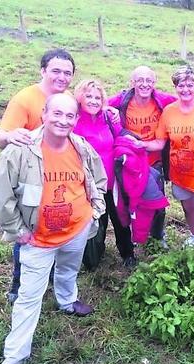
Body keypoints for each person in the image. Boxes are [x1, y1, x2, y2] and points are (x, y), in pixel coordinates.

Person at [0, 93, 107, 364]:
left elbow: (98, 179)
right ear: (44, 113)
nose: (62, 121)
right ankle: (14, 357)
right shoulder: (21, 150)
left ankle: (67, 301)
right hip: (37, 239)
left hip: (77, 229)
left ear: (77, 120)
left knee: (68, 270)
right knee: (29, 296)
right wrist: (17, 230)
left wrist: (94, 210)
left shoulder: (80, 146)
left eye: (69, 116)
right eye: (57, 114)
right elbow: (1, 194)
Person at [0, 48, 76, 304]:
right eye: (56, 71)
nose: (61, 77)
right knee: (28, 232)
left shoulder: (67, 98)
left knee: (53, 223)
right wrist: (10, 136)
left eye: (67, 72)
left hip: (58, 177)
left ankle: (52, 278)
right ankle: (19, 287)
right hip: (31, 179)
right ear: (43, 71)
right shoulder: (26, 99)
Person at [108, 66, 194, 247]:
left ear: (154, 83)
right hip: (130, 161)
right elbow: (99, 103)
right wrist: (110, 110)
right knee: (130, 201)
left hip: (154, 161)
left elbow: (185, 96)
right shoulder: (123, 100)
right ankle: (134, 236)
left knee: (157, 204)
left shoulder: (161, 99)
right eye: (139, 80)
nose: (144, 84)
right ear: (132, 82)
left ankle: (157, 236)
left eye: (149, 80)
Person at [141, 66, 194, 263]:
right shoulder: (169, 112)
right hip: (180, 174)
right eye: (181, 85)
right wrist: (138, 144)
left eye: (190, 85)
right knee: (188, 210)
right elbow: (160, 142)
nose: (185, 89)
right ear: (175, 87)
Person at [73, 79, 137, 269]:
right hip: (88, 186)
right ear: (79, 98)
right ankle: (93, 257)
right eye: (88, 96)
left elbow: (121, 137)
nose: (93, 101)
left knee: (121, 219)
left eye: (97, 97)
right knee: (95, 223)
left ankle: (128, 253)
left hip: (113, 182)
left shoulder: (108, 118)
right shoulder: (74, 121)